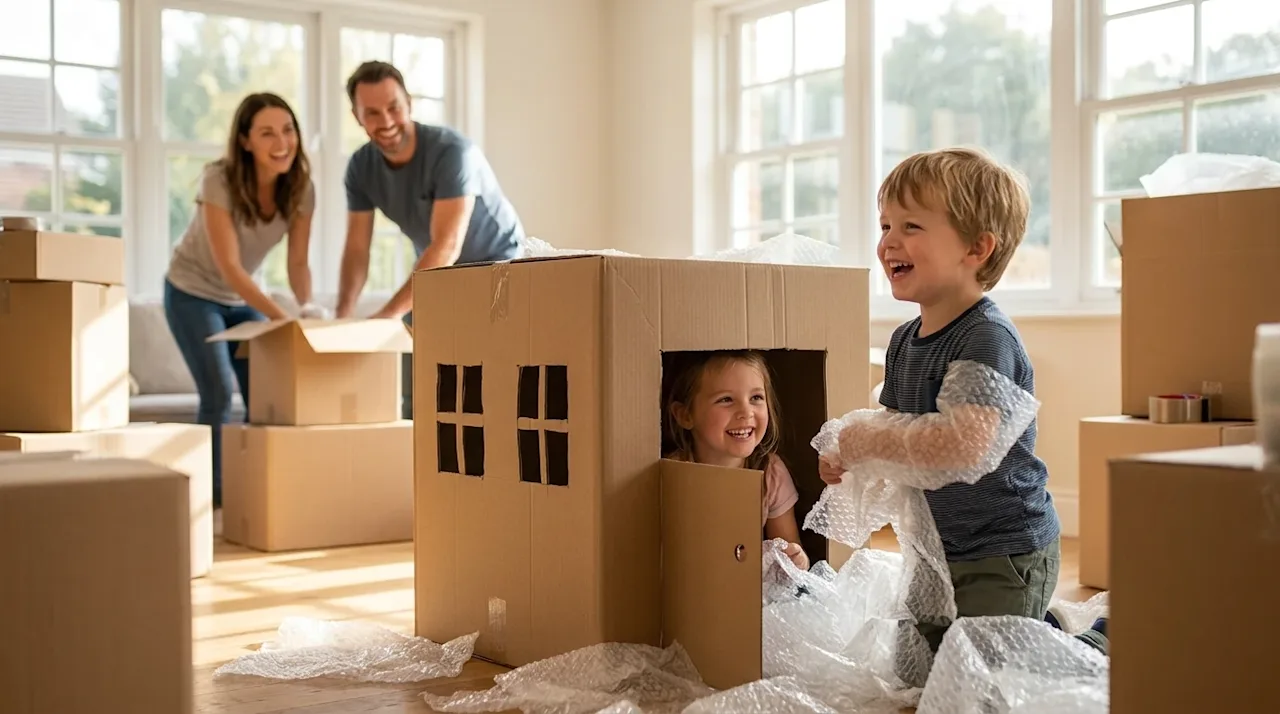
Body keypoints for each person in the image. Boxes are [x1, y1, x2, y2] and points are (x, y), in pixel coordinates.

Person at [816, 147, 1108, 657]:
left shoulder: (986, 338)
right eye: (884, 225)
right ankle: (1043, 628)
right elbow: (898, 423)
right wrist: (849, 451)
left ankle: (1091, 644)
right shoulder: (906, 339)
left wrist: (867, 439)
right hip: (939, 547)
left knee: (990, 683)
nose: (888, 241)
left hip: (1003, 548)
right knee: (914, 674)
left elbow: (962, 446)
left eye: (911, 226)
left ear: (976, 248)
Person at [335, 60, 526, 419]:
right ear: (357, 117)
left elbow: (446, 246)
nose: (386, 121)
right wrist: (342, 318)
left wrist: (386, 316)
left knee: (491, 375)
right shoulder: (360, 169)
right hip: (441, 273)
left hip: (502, 265)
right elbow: (357, 250)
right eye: (372, 113)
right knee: (419, 373)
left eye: (394, 107)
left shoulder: (453, 152)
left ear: (409, 102)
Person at [164, 92, 318, 509]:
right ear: (246, 141)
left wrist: (305, 308)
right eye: (267, 133)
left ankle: (252, 485)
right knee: (218, 390)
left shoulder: (301, 188)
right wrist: (283, 318)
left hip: (239, 296)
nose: (281, 142)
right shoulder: (219, 179)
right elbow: (230, 266)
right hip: (191, 292)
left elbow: (299, 261)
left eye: (288, 130)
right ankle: (211, 499)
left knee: (264, 391)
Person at [665, 350, 809, 571]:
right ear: (685, 415)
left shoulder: (770, 473)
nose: (746, 412)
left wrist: (796, 560)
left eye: (756, 398)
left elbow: (790, 546)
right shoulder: (672, 475)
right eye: (726, 400)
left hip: (749, 589)